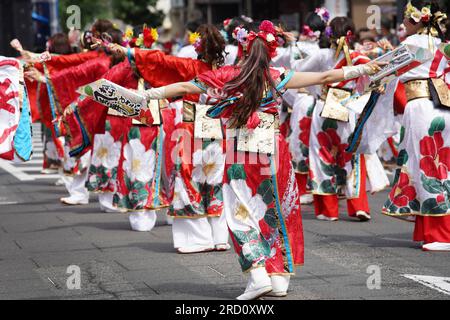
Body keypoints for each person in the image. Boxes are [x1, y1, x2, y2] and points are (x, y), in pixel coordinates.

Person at [139, 20, 383, 300]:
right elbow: (325, 77)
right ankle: (278, 278)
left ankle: (257, 275)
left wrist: (146, 94)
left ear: (242, 46)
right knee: (274, 209)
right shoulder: (275, 74)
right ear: (270, 49)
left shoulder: (226, 74)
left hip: (240, 152)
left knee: (240, 212)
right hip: (274, 150)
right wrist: (362, 69)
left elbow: (183, 87)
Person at [114, 24, 232, 250]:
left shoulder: (191, 66)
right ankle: (219, 237)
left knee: (187, 178)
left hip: (190, 127)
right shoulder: (227, 72)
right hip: (216, 128)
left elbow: (161, 61)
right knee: (215, 179)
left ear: (198, 48)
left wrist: (129, 51)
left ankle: (197, 238)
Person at [381, 0, 450, 251]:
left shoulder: (413, 43)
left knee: (427, 167)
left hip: (421, 107)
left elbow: (386, 70)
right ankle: (430, 229)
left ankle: (442, 235)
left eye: (405, 19)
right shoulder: (442, 44)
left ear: (415, 20)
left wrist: (366, 71)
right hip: (441, 106)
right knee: (435, 166)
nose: (401, 24)